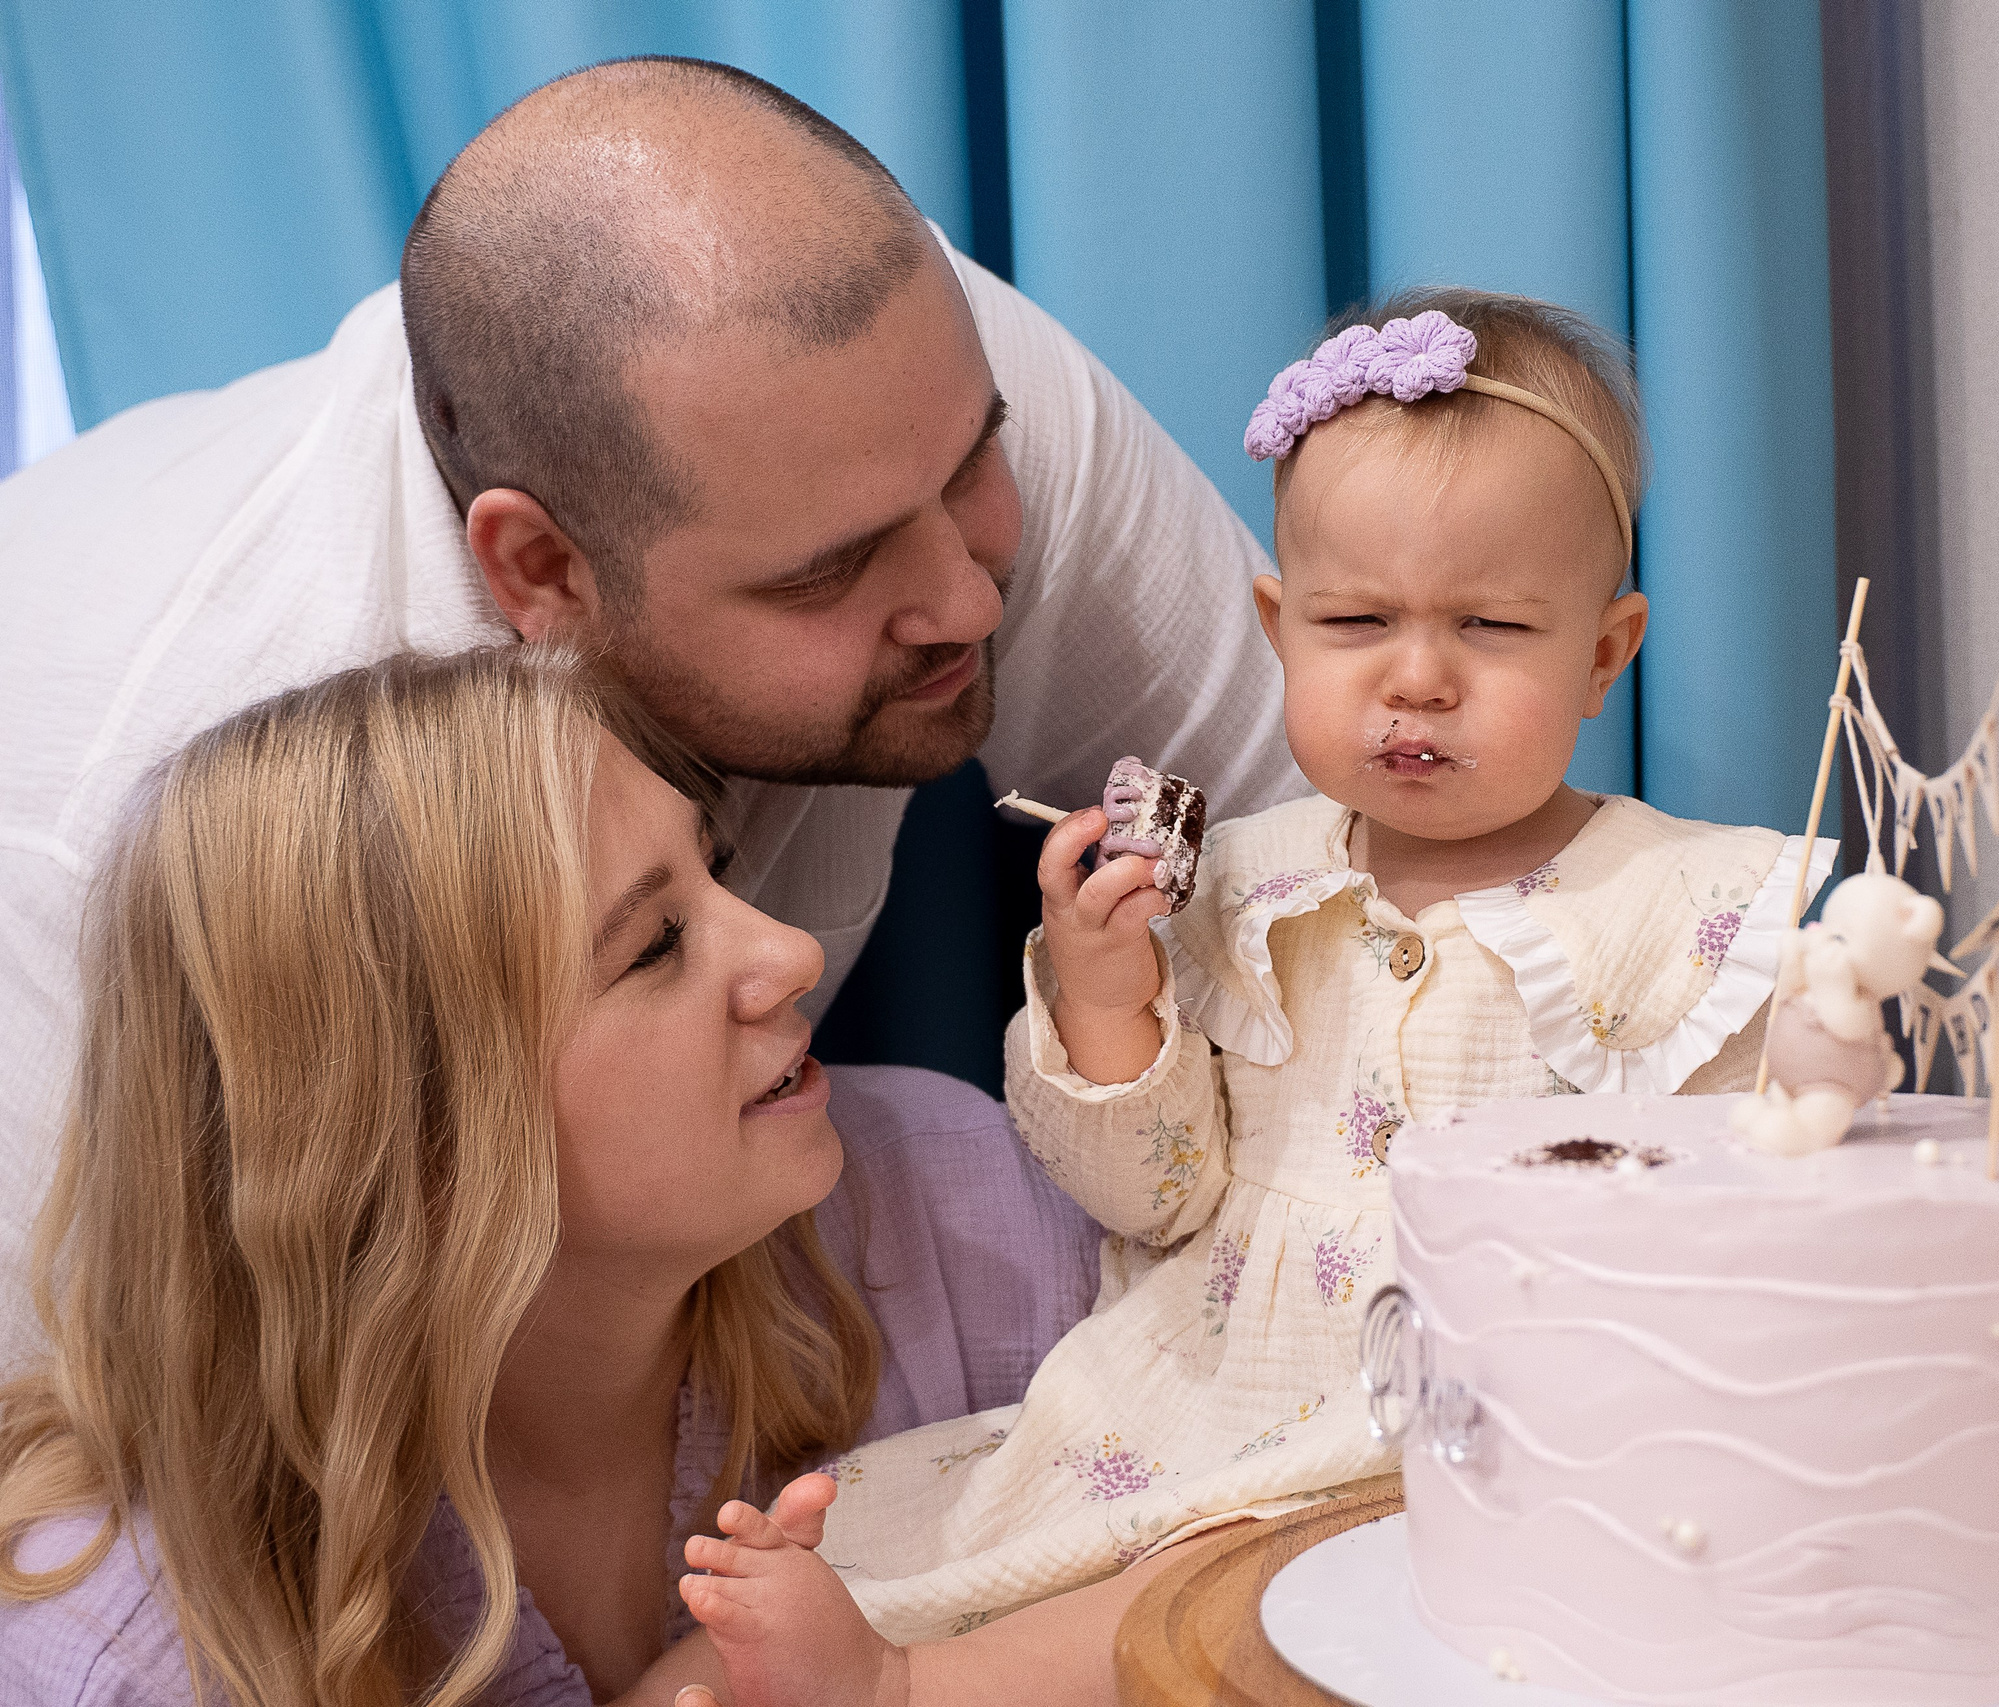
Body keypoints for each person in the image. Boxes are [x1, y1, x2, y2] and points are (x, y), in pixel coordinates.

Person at [0, 55, 1301, 1372]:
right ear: (544, 572)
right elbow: (113, 1498)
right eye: (824, 571)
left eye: (979, 464)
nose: (967, 600)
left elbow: (1366, 856)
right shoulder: (91, 874)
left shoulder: (891, 386)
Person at [664, 290, 1834, 1700]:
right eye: (1356, 620)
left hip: (1476, 1413)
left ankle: (904, 1688)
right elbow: (1153, 1190)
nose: (1417, 677)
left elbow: (1751, 1214)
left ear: (1602, 651)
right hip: (1202, 1383)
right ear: (1280, 627)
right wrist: (1107, 994)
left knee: (1224, 1595)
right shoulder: (1239, 885)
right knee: (957, 1549)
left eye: (1492, 625)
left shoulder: (1674, 908)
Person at [0, 648, 1203, 1706]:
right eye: (657, 946)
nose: (788, 954)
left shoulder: (951, 1213)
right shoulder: (130, 1648)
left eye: (714, 867)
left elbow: (1328, 1515)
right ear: (412, 1138)